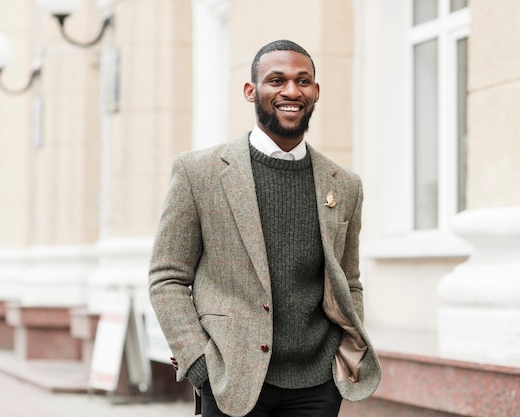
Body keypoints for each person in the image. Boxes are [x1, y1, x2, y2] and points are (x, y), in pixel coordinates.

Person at [149, 39, 382, 417]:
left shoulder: (344, 185)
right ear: (251, 90)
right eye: (276, 80)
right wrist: (197, 360)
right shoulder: (198, 173)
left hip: (317, 383)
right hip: (231, 379)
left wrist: (339, 355)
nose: (291, 91)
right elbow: (167, 277)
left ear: (316, 92)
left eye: (303, 81)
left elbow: (348, 280)